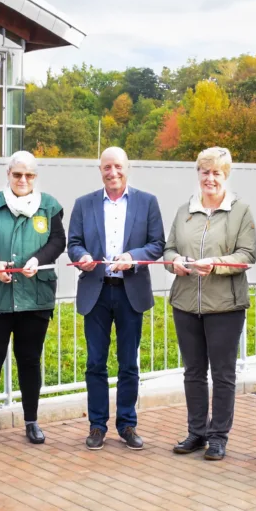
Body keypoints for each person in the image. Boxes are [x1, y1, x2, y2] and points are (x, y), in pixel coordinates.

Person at [66, 147, 165, 451]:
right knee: (95, 363)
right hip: (96, 291)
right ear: (100, 170)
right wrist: (81, 256)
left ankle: (127, 424)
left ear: (127, 168)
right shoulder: (84, 204)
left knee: (128, 363)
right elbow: (74, 243)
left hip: (129, 291)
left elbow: (157, 243)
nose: (113, 172)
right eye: (107, 167)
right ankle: (97, 425)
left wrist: (133, 257)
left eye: (118, 167)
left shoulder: (147, 202)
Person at [0, 151, 66, 447]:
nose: (23, 180)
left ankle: (31, 422)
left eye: (29, 175)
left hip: (35, 297)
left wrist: (39, 258)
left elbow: (58, 241)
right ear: (8, 175)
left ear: (36, 177)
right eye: (17, 174)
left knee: (30, 361)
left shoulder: (49, 206)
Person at [164, 147, 256, 461]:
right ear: (198, 175)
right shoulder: (184, 211)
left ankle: (218, 437)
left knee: (222, 374)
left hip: (225, 307)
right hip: (186, 303)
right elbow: (168, 249)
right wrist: (174, 261)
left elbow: (247, 256)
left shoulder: (240, 210)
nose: (210, 178)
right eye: (205, 172)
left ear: (225, 175)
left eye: (216, 172)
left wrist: (216, 263)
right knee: (192, 372)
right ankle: (196, 433)